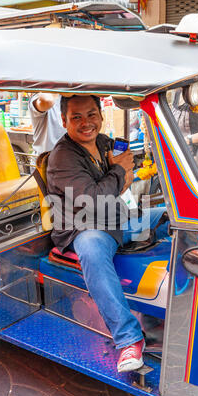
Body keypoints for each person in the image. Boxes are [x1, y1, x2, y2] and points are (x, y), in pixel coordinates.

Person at [47, 95, 168, 373]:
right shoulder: (63, 157)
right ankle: (128, 338)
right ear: (64, 121)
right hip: (86, 227)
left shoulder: (103, 143)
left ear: (101, 115)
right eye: (76, 117)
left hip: (116, 219)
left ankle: (179, 303)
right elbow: (96, 196)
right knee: (90, 249)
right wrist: (119, 170)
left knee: (172, 217)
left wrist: (123, 172)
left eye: (91, 115)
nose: (86, 123)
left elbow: (121, 186)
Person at [29, 93, 66, 159]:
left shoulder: (69, 98)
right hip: (44, 162)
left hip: (65, 160)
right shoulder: (38, 98)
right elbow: (47, 101)